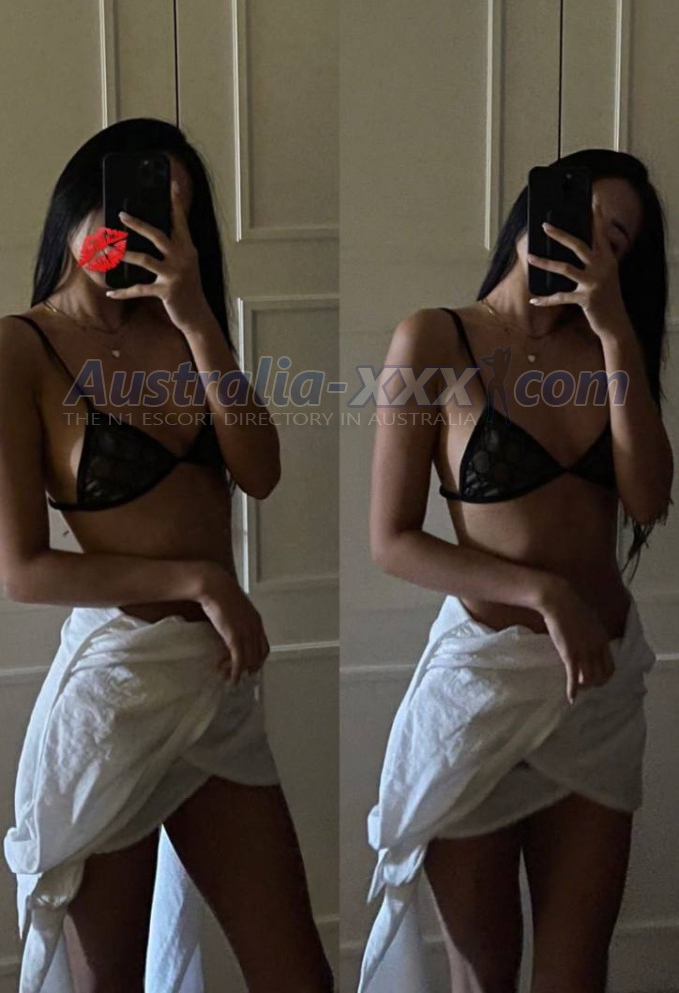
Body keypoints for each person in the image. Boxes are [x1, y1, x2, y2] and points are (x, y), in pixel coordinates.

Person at [0, 118, 335, 993]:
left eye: (175, 215)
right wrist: (198, 579)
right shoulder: (19, 349)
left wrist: (195, 318)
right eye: (137, 206)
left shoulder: (182, 330)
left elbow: (259, 471)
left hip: (215, 691)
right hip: (115, 698)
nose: (150, 229)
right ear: (80, 207)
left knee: (296, 974)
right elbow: (24, 569)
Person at [360, 149, 673, 993]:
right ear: (532, 209)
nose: (589, 246)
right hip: (481, 693)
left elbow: (647, 500)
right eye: (579, 218)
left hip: (595, 695)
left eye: (614, 241)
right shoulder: (434, 339)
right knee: (483, 975)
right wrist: (542, 592)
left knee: (575, 975)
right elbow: (391, 539)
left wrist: (616, 334)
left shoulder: (609, 350)